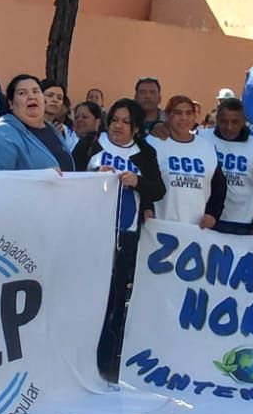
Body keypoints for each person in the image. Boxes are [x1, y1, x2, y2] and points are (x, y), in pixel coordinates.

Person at [84, 100, 166, 379]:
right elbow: (66, 174)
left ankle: (107, 358)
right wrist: (93, 176)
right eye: (115, 120)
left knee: (117, 296)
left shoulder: (144, 152)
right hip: (89, 232)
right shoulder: (92, 144)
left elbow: (157, 190)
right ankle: (82, 352)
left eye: (125, 122)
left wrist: (137, 182)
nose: (118, 126)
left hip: (125, 233)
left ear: (135, 127)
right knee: (89, 293)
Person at [147, 95, 224, 227]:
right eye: (178, 113)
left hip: (197, 228)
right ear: (167, 115)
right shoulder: (152, 144)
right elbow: (143, 182)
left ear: (195, 117)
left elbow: (219, 186)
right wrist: (146, 208)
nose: (184, 118)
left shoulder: (207, 147)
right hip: (159, 225)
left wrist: (212, 214)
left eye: (189, 113)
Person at [0, 74, 75, 171]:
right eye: (22, 93)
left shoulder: (54, 131)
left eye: (36, 91)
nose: (31, 97)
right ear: (11, 104)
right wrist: (40, 177)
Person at [208, 98, 253, 235]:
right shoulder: (202, 139)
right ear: (217, 119)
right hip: (206, 219)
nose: (229, 127)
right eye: (224, 121)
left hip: (241, 223)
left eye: (235, 122)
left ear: (244, 121)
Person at [41, 80, 77, 152]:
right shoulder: (25, 126)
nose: (55, 100)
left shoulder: (65, 131)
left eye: (59, 98)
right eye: (50, 95)